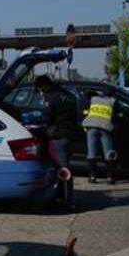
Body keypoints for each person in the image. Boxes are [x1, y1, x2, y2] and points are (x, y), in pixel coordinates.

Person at [35, 75, 78, 210]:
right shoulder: (69, 95)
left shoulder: (52, 97)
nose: (42, 92)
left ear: (44, 86)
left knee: (63, 168)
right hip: (70, 134)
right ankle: (60, 195)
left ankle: (68, 200)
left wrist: (37, 124)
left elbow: (48, 117)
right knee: (64, 166)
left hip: (58, 135)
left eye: (41, 89)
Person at [82, 90, 117, 184]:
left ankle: (92, 177)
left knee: (91, 153)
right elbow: (116, 116)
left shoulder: (93, 99)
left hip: (91, 126)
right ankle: (110, 178)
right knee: (108, 153)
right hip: (105, 128)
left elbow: (85, 110)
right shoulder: (112, 101)